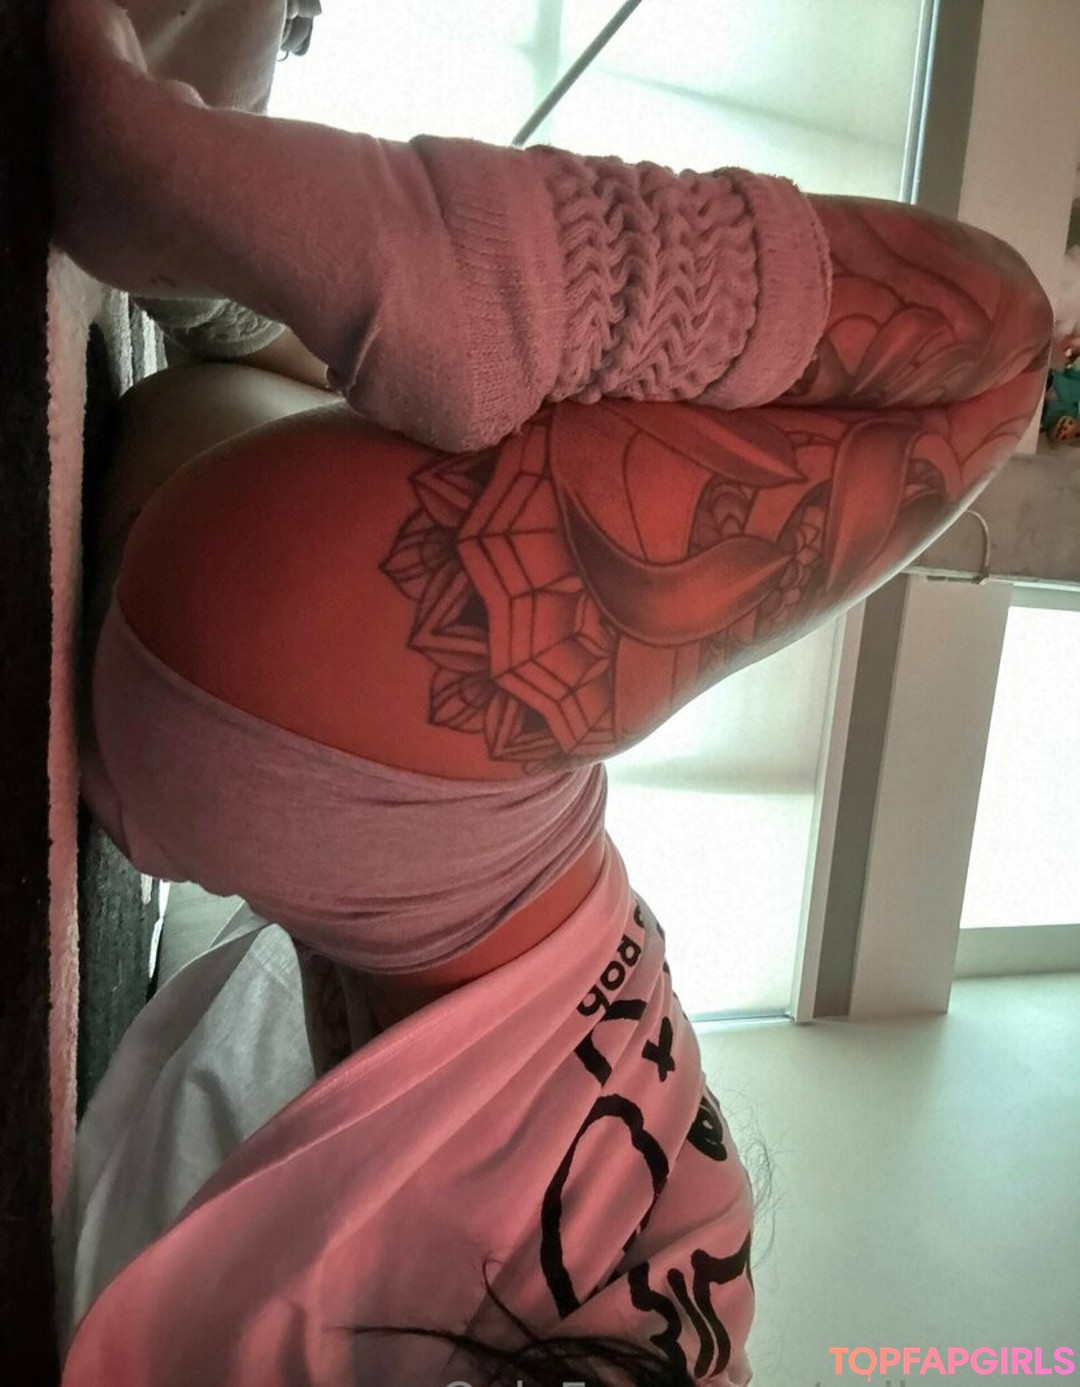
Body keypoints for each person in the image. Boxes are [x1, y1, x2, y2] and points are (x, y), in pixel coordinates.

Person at [49, 2, 1054, 1384]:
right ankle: (241, 244)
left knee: (999, 354)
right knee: (233, 389)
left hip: (368, 717)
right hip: (220, 721)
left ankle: (442, 278)